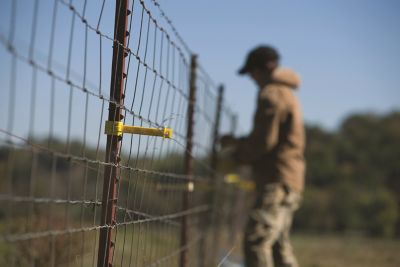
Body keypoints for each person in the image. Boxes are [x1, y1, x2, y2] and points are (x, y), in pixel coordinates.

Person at [221, 45, 305, 267]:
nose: (251, 78)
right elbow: (272, 138)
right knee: (277, 245)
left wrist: (236, 155)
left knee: (256, 241)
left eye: (252, 72)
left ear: (263, 69)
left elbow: (264, 142)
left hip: (276, 179)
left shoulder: (271, 93)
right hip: (290, 178)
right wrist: (240, 143)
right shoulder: (287, 92)